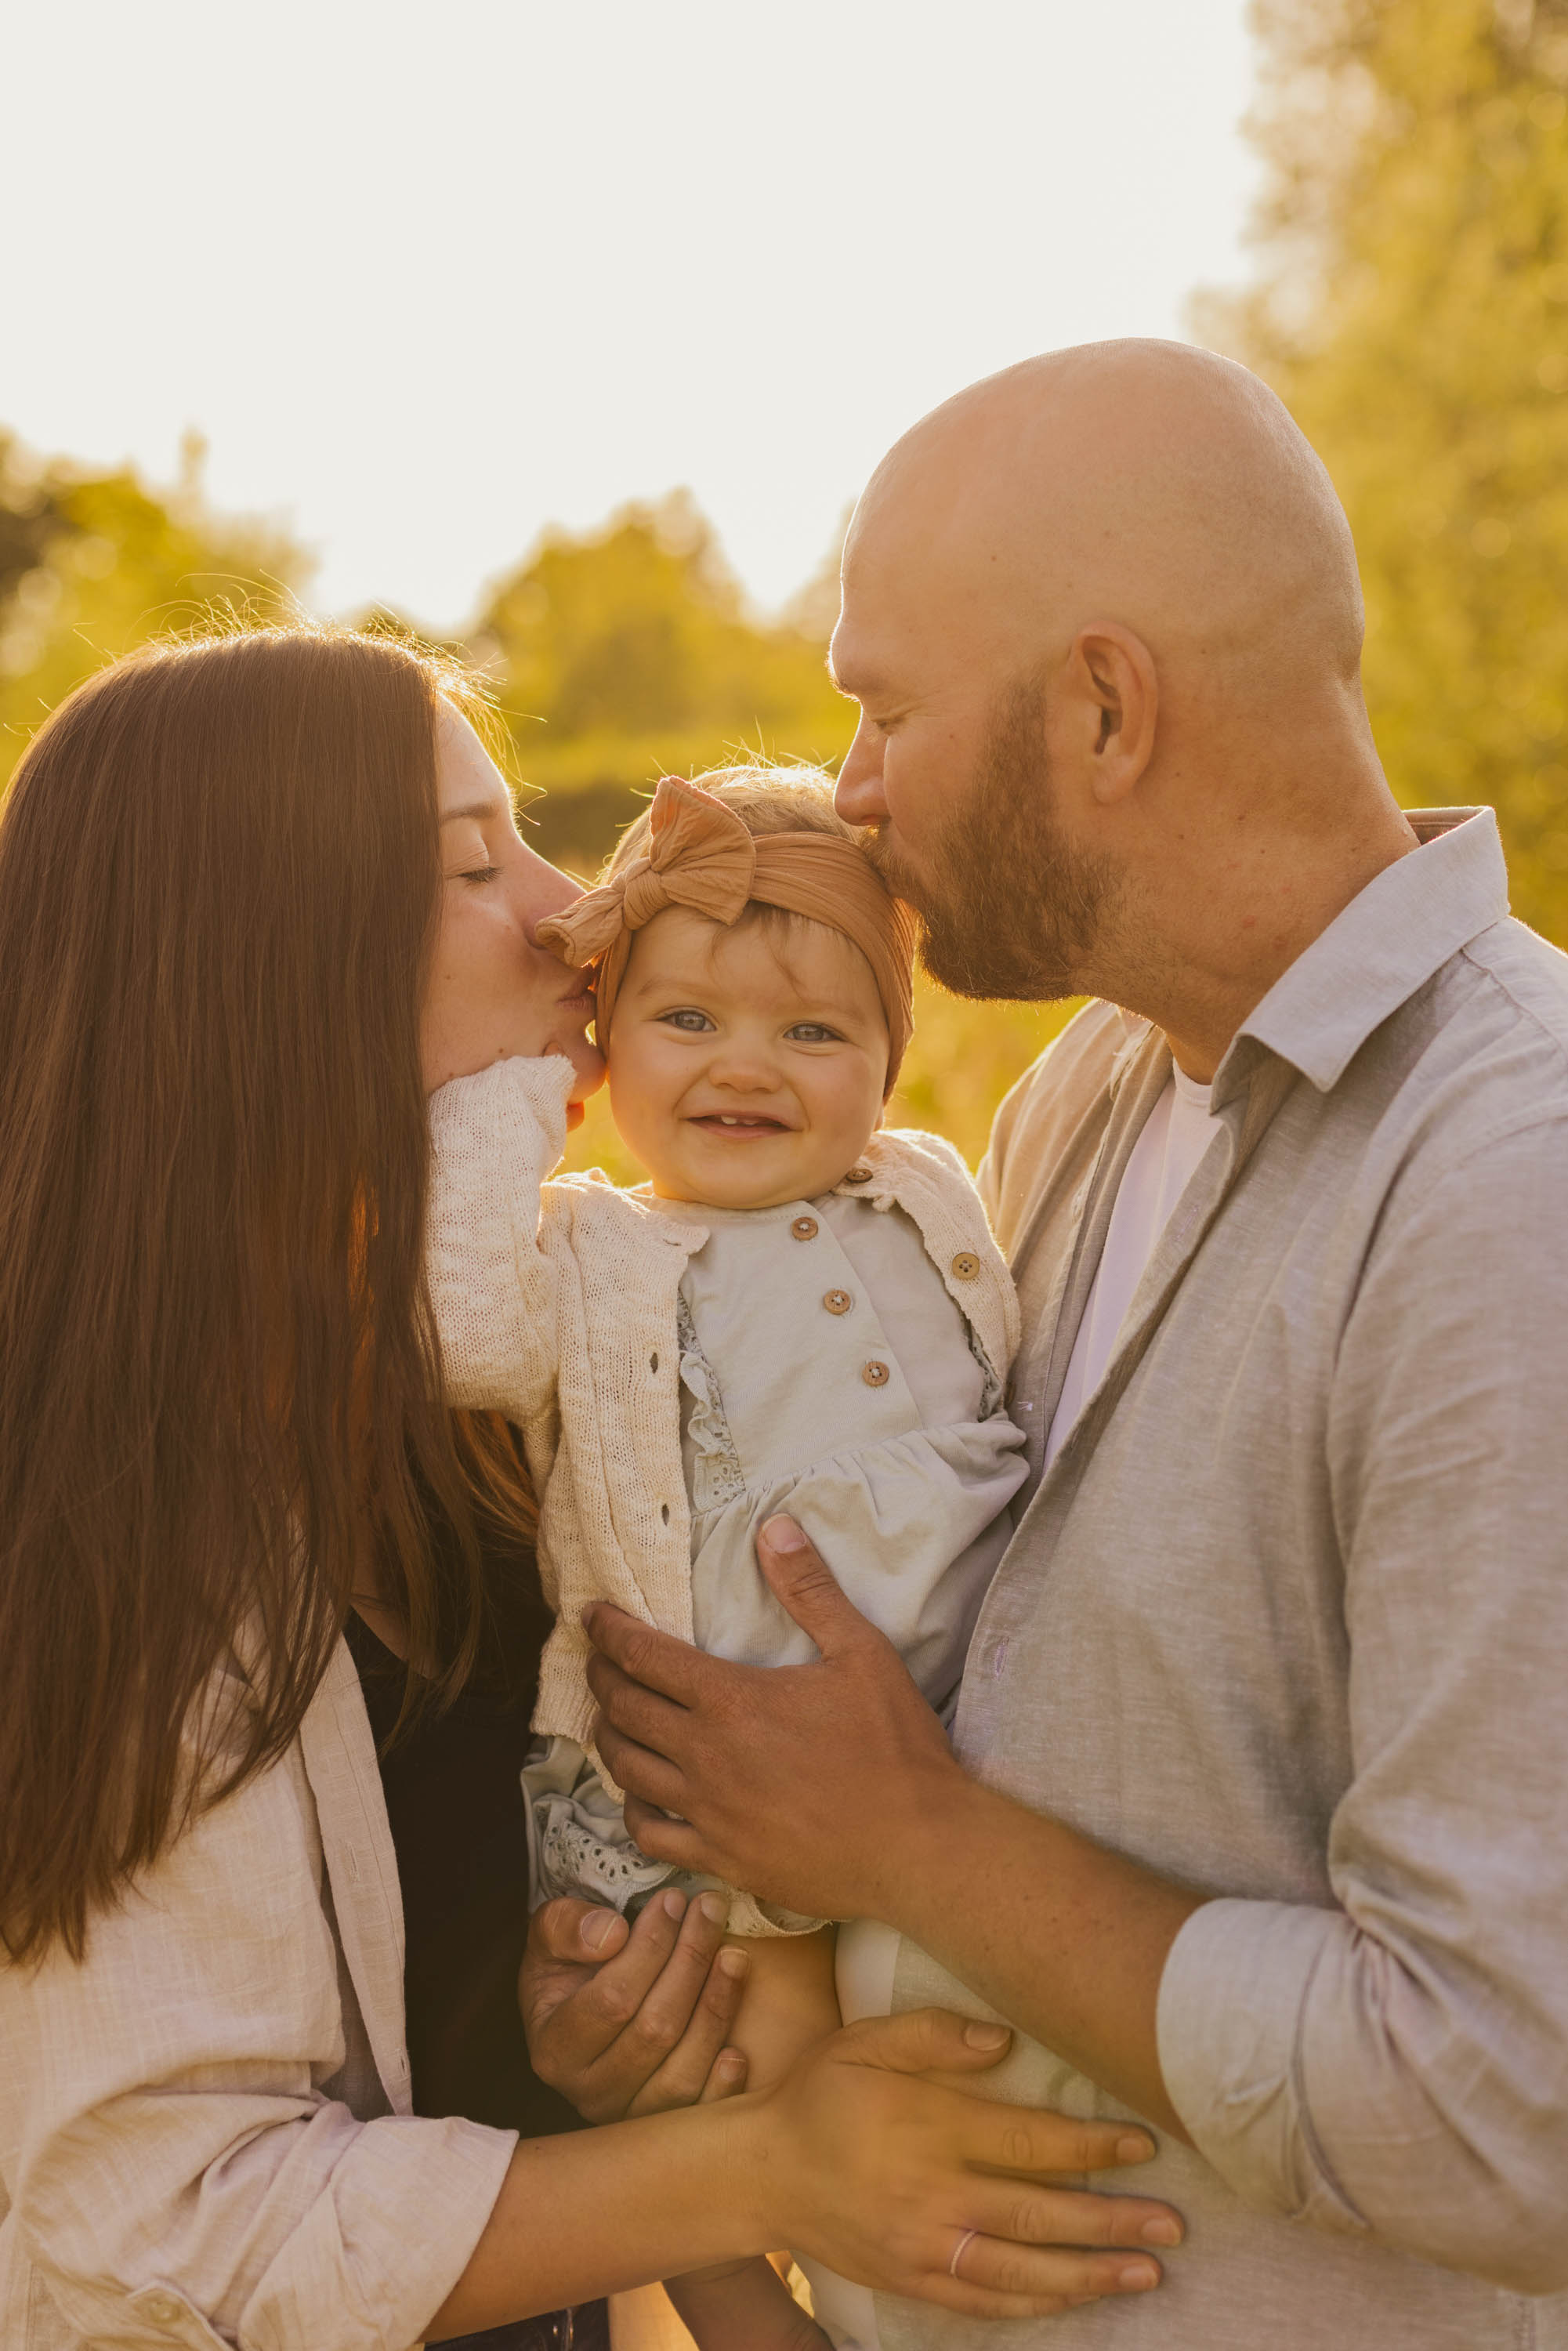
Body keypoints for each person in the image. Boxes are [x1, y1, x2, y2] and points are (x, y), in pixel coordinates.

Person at [0, 624, 1183, 2351]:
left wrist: (575, 2038)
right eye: (475, 864)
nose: (574, 915)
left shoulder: (492, 1410)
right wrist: (765, 2172)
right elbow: (152, 2229)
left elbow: (455, 2021)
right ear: (268, 964)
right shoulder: (105, 1531)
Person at [580, 341, 1568, 2347]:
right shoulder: (1090, 1094)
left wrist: (909, 1848)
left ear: (1102, 709)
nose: (852, 787)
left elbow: (1508, 2110)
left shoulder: (1503, 1192)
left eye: (885, 710)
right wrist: (683, 2009)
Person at [423, 763, 1032, 2342]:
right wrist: (523, 1078)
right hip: (704, 1786)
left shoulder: (926, 1194)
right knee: (740, 2080)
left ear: (890, 1059)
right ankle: (734, 2310)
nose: (743, 1066)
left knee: (938, 2101)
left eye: (813, 1032)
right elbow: (463, 1326)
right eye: (683, 1020)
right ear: (607, 1036)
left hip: (946, 1753)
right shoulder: (595, 1252)